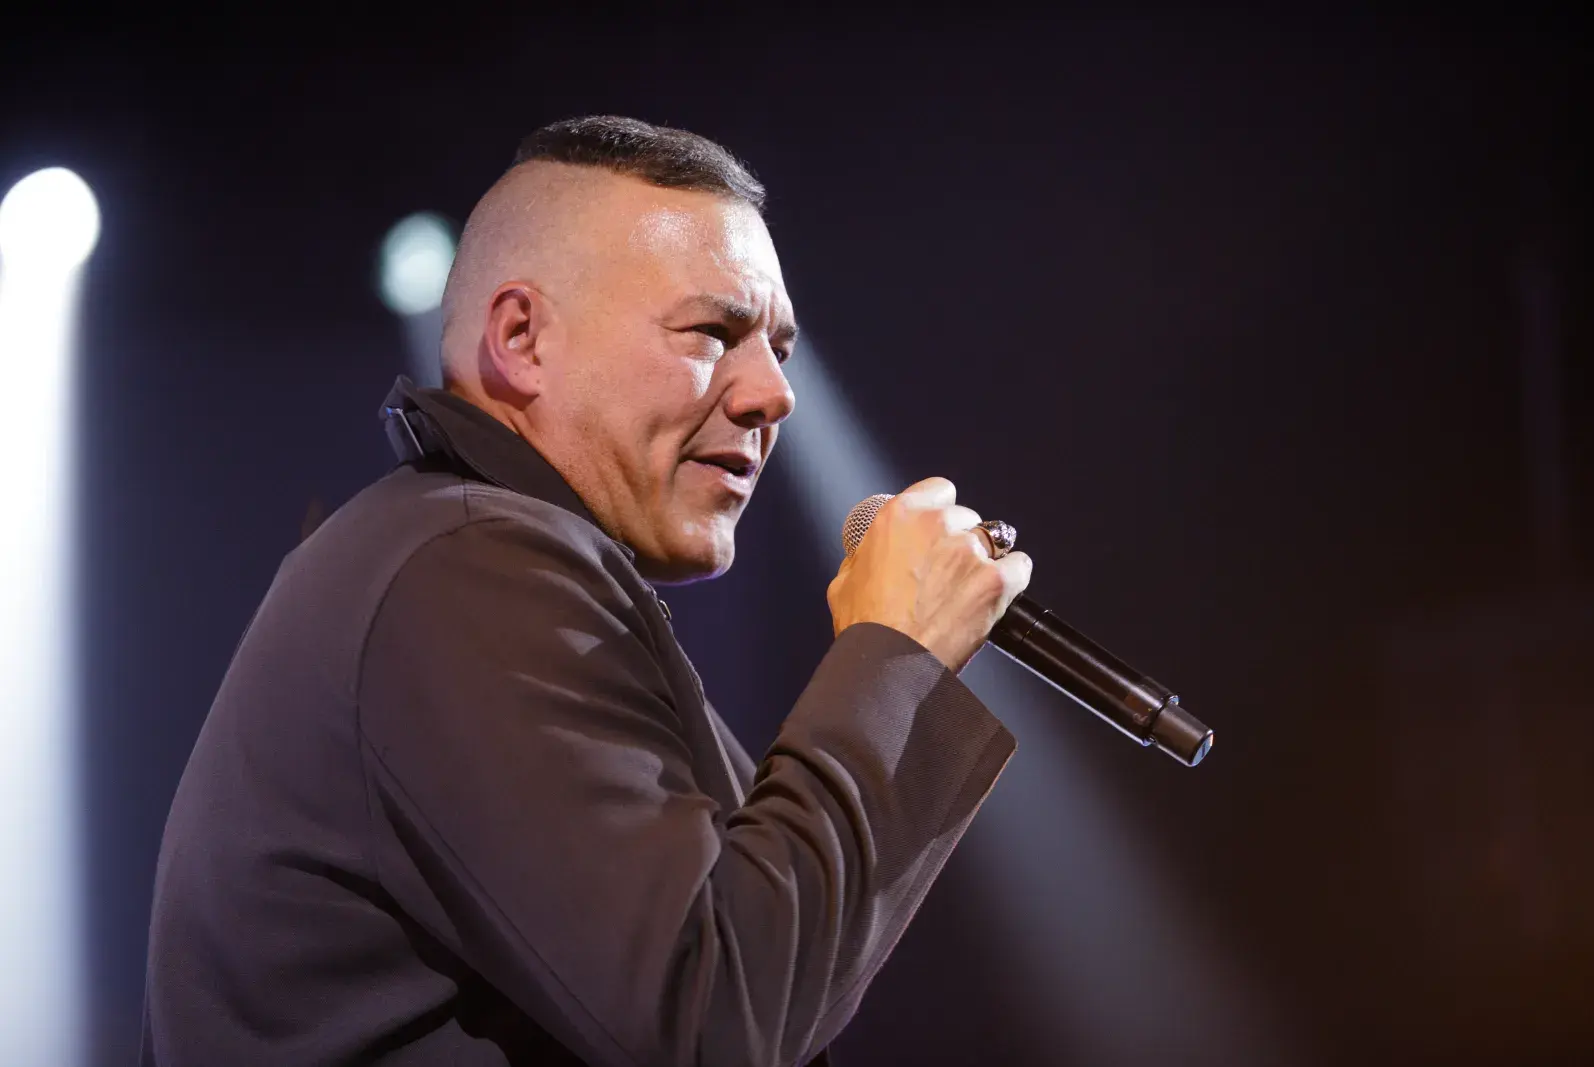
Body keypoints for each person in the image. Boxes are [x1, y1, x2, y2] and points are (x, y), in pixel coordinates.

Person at [141, 116, 1032, 1066]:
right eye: (713, 331)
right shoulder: (466, 569)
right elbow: (713, 1011)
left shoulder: (465, 560)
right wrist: (893, 662)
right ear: (521, 338)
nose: (774, 394)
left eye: (779, 347)